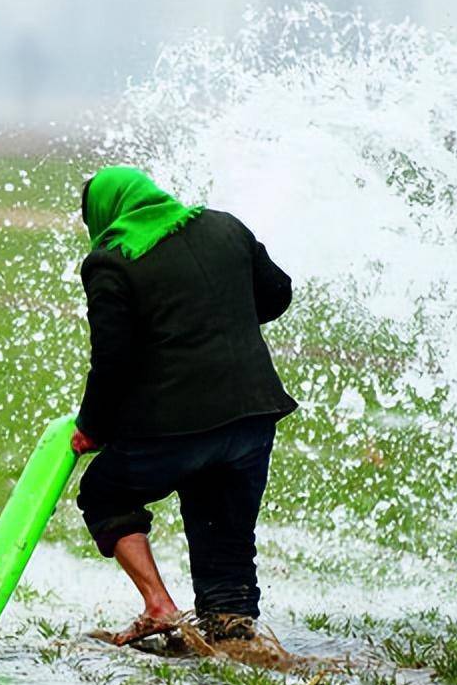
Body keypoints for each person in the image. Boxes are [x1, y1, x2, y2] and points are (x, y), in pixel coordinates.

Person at [71, 166, 298, 646]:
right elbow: (279, 292)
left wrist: (91, 425)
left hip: (174, 424)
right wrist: (220, 318)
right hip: (252, 417)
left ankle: (159, 606)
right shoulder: (225, 226)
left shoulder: (110, 259)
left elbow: (113, 358)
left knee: (105, 495)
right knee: (225, 534)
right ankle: (233, 634)